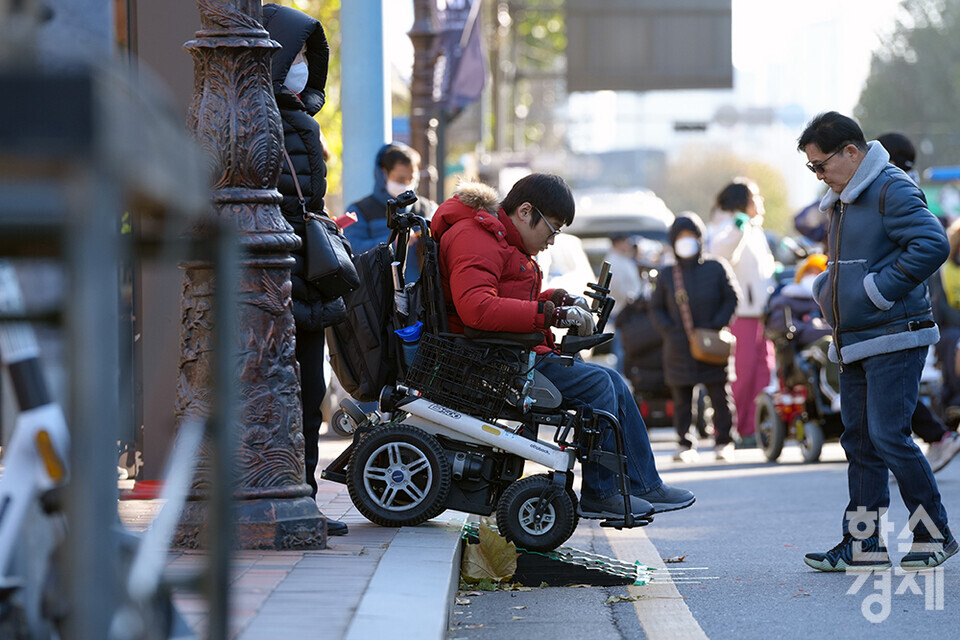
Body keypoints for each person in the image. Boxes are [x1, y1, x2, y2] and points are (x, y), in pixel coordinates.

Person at [431, 173, 695, 518]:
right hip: (492, 359)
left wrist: (557, 300)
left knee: (611, 381)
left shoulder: (497, 238)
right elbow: (478, 309)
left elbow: (502, 297)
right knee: (601, 385)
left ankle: (641, 484)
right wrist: (548, 313)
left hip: (506, 352)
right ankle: (604, 492)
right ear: (526, 212)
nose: (552, 241)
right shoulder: (476, 237)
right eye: (552, 228)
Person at [798, 111, 954, 571]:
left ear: (851, 151)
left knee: (889, 436)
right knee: (861, 443)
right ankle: (862, 546)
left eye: (821, 165)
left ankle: (935, 534)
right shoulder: (845, 195)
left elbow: (932, 244)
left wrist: (876, 291)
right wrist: (827, 292)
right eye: (812, 169)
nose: (819, 176)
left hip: (894, 336)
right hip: (855, 339)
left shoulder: (890, 186)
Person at [263, 4, 347, 535]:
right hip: (275, 274)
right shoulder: (260, 117)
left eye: (303, 57)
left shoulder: (300, 121)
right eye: (291, 55)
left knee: (309, 390)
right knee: (287, 390)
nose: (299, 65)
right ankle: (287, 495)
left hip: (302, 272)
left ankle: (305, 497)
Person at [649, 213, 739, 463]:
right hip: (678, 347)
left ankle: (724, 441)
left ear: (700, 239)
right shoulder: (667, 274)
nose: (686, 241)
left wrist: (715, 325)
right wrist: (669, 330)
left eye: (691, 236)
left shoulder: (716, 267)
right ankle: (685, 443)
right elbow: (656, 308)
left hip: (712, 344)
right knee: (682, 400)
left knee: (720, 395)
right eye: (681, 237)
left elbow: (732, 298)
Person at [707, 179, 777, 448]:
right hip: (741, 315)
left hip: (761, 313)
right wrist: (737, 230)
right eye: (755, 197)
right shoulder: (728, 225)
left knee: (763, 371)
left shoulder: (753, 228)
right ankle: (730, 430)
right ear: (741, 201)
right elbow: (717, 254)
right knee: (742, 375)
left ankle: (752, 428)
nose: (760, 203)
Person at [343, 143, 436, 278]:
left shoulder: (427, 208)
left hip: (420, 293)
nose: (406, 184)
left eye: (411, 179)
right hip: (379, 293)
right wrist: (393, 242)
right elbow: (352, 250)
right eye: (400, 178)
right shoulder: (360, 210)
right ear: (383, 173)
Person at [604, 235, 644, 372]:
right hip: (622, 308)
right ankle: (620, 373)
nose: (627, 245)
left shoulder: (623, 258)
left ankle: (623, 372)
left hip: (628, 306)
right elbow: (617, 288)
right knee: (621, 345)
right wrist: (630, 299)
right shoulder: (613, 261)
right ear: (616, 243)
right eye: (624, 242)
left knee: (624, 343)